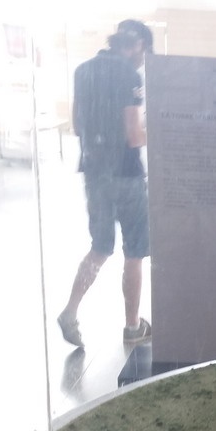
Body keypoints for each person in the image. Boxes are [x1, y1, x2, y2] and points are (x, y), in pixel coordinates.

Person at [57, 19, 154, 347]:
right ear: (137, 45)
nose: (142, 60)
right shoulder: (129, 75)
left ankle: (70, 311)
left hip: (94, 174)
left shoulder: (83, 71)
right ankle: (132, 326)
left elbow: (77, 126)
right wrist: (160, 130)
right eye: (144, 52)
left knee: (100, 247)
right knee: (135, 251)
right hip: (127, 175)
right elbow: (134, 136)